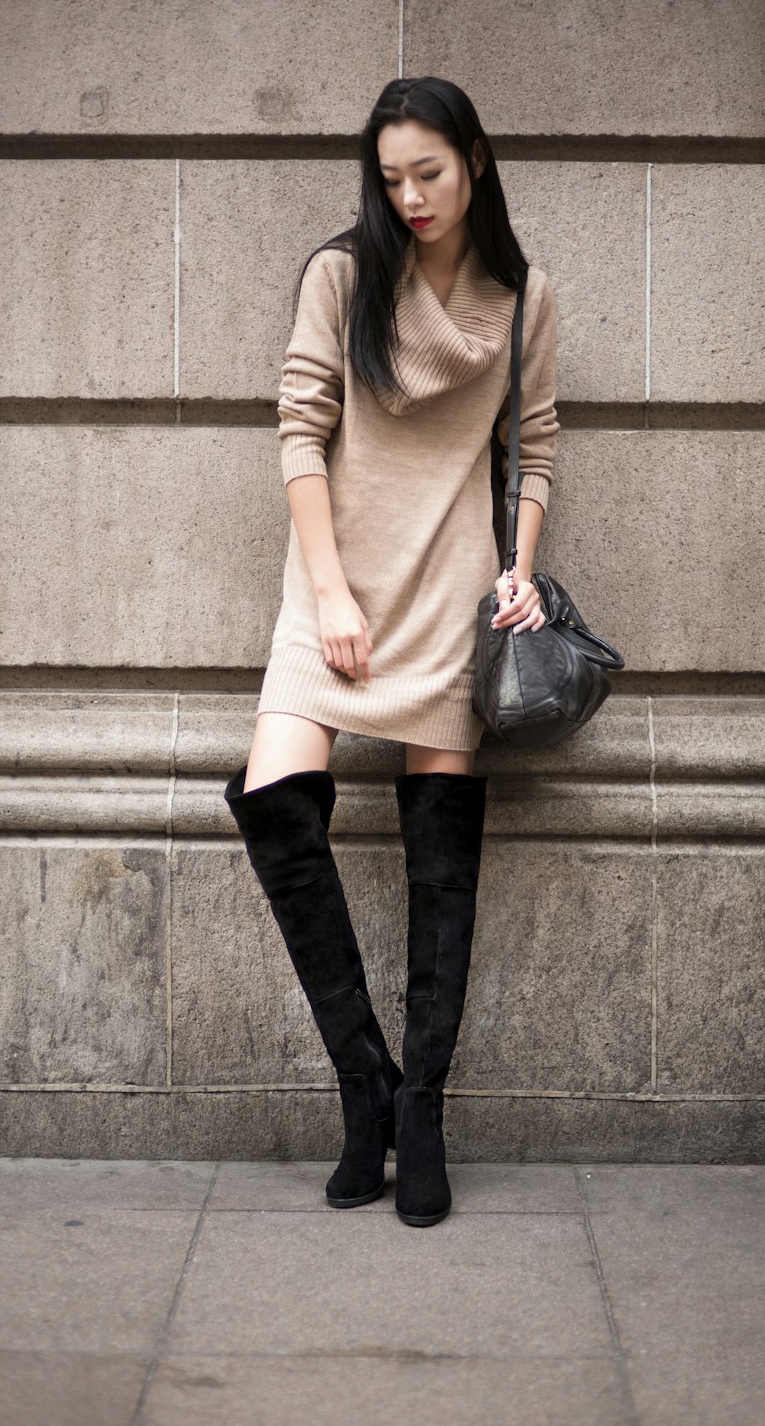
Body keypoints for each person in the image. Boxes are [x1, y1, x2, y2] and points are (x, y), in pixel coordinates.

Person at [224, 76, 559, 1227]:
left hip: (450, 588)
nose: (409, 197)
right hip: (333, 584)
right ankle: (361, 1085)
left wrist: (517, 572)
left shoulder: (520, 299)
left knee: (440, 859)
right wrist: (326, 592)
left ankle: (421, 1111)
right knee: (276, 795)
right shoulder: (341, 275)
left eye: (428, 172)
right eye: (389, 177)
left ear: (474, 159)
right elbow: (299, 427)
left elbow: (535, 449)